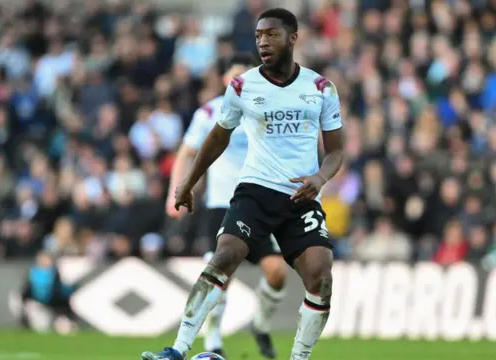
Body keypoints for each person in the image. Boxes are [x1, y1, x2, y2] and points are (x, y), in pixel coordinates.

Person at [142, 8, 344, 360]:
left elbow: (337, 151)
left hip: (301, 197)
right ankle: (177, 349)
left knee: (320, 276)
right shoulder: (242, 86)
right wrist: (188, 183)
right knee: (224, 256)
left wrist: (320, 177)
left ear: (293, 38)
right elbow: (217, 138)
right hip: (256, 191)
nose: (263, 41)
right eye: (258, 36)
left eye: (272, 34)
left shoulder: (321, 88)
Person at [166, 53, 288, 359]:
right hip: (221, 203)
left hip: (258, 203)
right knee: (221, 274)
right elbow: (185, 153)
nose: (243, 80)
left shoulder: (264, 111)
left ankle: (260, 326)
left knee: (276, 273)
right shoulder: (208, 112)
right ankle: (213, 342)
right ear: (224, 79)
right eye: (236, 75)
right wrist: (175, 192)